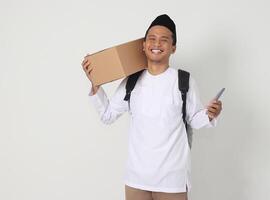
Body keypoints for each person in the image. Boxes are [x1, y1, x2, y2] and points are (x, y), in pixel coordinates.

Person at [82, 14, 222, 200]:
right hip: (136, 179)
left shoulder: (183, 80)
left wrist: (210, 114)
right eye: (152, 39)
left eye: (164, 40)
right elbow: (107, 115)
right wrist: (96, 85)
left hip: (172, 181)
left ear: (173, 48)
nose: (157, 44)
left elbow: (195, 119)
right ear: (143, 45)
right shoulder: (131, 81)